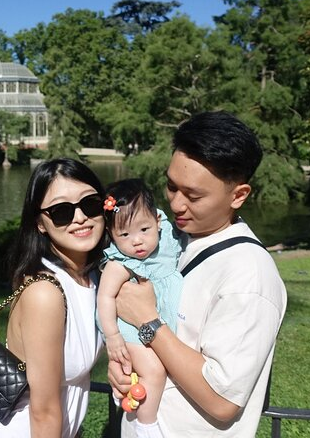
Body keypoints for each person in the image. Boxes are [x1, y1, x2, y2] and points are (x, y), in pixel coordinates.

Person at [108, 111, 288, 437]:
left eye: (193, 196)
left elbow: (222, 400)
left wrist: (148, 323)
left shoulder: (248, 275)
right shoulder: (171, 241)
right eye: (171, 186)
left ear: (238, 195)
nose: (176, 204)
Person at [0, 158, 106, 438]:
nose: (80, 217)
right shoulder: (45, 293)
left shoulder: (91, 277)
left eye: (90, 204)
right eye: (61, 211)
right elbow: (43, 412)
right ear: (40, 223)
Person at [96, 179, 184, 436]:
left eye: (144, 229)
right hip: (130, 330)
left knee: (160, 365)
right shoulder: (120, 263)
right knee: (154, 371)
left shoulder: (166, 239)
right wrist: (112, 337)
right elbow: (105, 298)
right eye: (124, 234)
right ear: (112, 236)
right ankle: (147, 427)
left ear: (158, 221)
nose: (137, 241)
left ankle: (125, 394)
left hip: (155, 322)